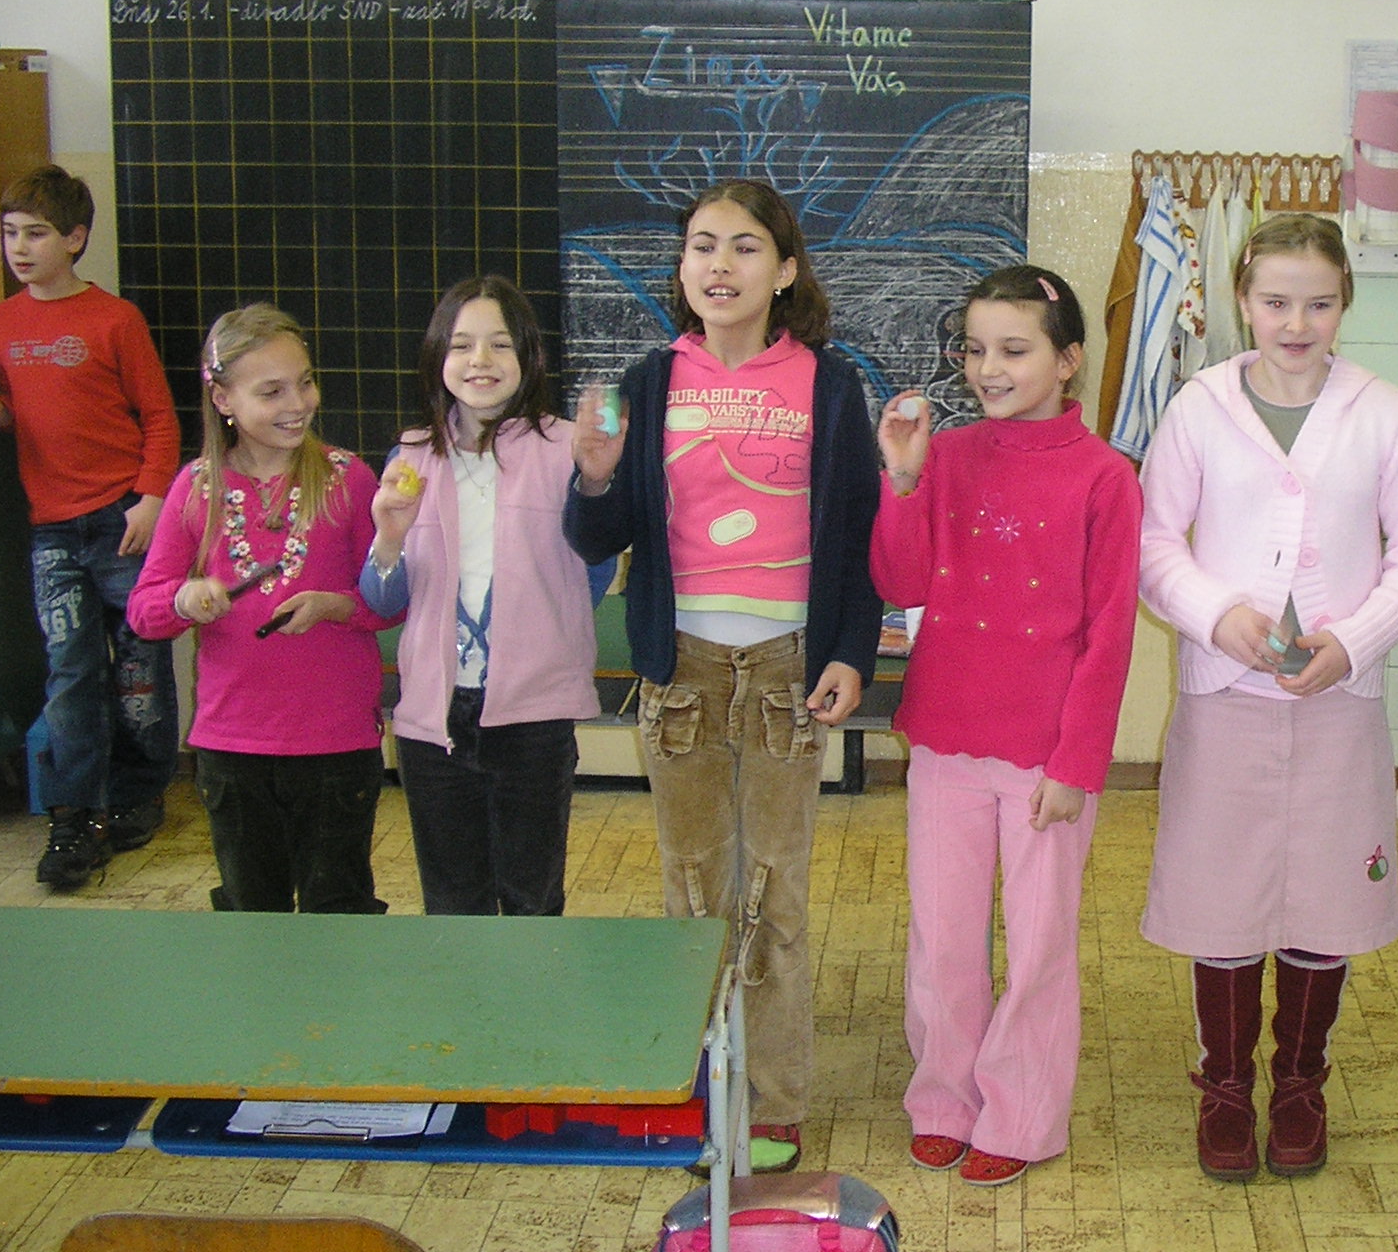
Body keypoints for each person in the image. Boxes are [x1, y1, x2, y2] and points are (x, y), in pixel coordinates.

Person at [564, 180, 880, 1172]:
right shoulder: (651, 380)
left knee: (773, 894)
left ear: (784, 270)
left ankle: (774, 1100)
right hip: (683, 670)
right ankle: (700, 1085)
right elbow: (598, 536)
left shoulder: (829, 385)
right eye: (702, 245)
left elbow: (858, 535)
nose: (719, 265)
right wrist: (594, 473)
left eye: (744, 247)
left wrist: (849, 651)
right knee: (694, 889)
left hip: (788, 668)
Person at [1137, 213, 1398, 1181]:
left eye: (1318, 304)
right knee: (1220, 893)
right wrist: (1215, 615)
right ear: (1242, 301)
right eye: (1275, 302)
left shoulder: (1381, 412)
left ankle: (1301, 1084)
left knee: (1323, 897)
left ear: (1344, 302)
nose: (1296, 324)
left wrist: (1350, 643)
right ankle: (1225, 1086)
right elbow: (1154, 544)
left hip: (1336, 702)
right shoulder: (1198, 408)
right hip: (1225, 692)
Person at [871, 264, 1142, 1188]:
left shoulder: (1106, 478)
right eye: (976, 349)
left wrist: (1078, 764)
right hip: (945, 736)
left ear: (1068, 361)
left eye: (1015, 350)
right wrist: (903, 480)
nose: (989, 368)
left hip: (1046, 757)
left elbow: (1109, 634)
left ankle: (1023, 1113)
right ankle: (944, 1097)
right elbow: (900, 581)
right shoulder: (945, 457)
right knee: (943, 936)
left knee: (1037, 947)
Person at [126, 304, 392, 913]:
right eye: (271, 391)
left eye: (305, 382)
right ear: (223, 398)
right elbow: (144, 610)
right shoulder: (195, 487)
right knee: (252, 913)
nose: (297, 403)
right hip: (233, 746)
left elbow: (391, 600)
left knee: (339, 908)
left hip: (335, 742)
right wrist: (185, 599)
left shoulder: (349, 479)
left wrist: (336, 606)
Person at [361, 276, 613, 916]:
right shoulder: (411, 456)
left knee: (532, 902)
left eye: (500, 344)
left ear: (528, 356)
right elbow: (382, 602)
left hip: (533, 715)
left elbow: (594, 573)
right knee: (453, 905)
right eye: (461, 345)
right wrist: (389, 536)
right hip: (434, 719)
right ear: (437, 357)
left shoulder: (566, 450)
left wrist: (596, 484)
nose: (480, 361)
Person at [0, 166, 180, 890]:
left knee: (138, 669)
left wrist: (150, 498)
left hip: (121, 519)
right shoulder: (3, 321)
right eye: (9, 234)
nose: (19, 248)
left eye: (35, 234)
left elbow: (159, 416)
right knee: (70, 672)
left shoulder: (114, 319)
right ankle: (74, 814)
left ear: (75, 238)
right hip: (52, 530)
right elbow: (11, 391)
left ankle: (139, 793)